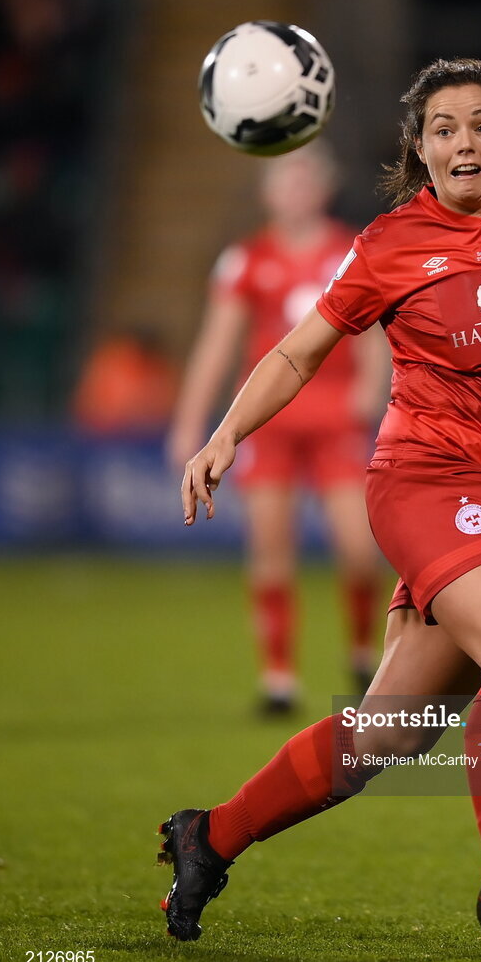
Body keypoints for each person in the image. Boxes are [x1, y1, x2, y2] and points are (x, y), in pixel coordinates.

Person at [157, 58, 481, 941]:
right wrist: (224, 435)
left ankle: (208, 837)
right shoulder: (389, 246)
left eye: (480, 123)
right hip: (429, 478)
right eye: (443, 128)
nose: (464, 141)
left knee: (390, 735)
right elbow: (297, 353)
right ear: (420, 147)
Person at [167, 142, 388, 710]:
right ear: (269, 191)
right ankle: (278, 678)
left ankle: (365, 656)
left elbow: (370, 331)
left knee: (359, 549)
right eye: (286, 181)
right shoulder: (246, 260)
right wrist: (192, 424)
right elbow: (216, 347)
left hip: (336, 414)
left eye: (305, 180)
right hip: (268, 421)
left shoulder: (349, 251)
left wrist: (369, 388)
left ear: (324, 188)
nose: (296, 191)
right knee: (270, 547)